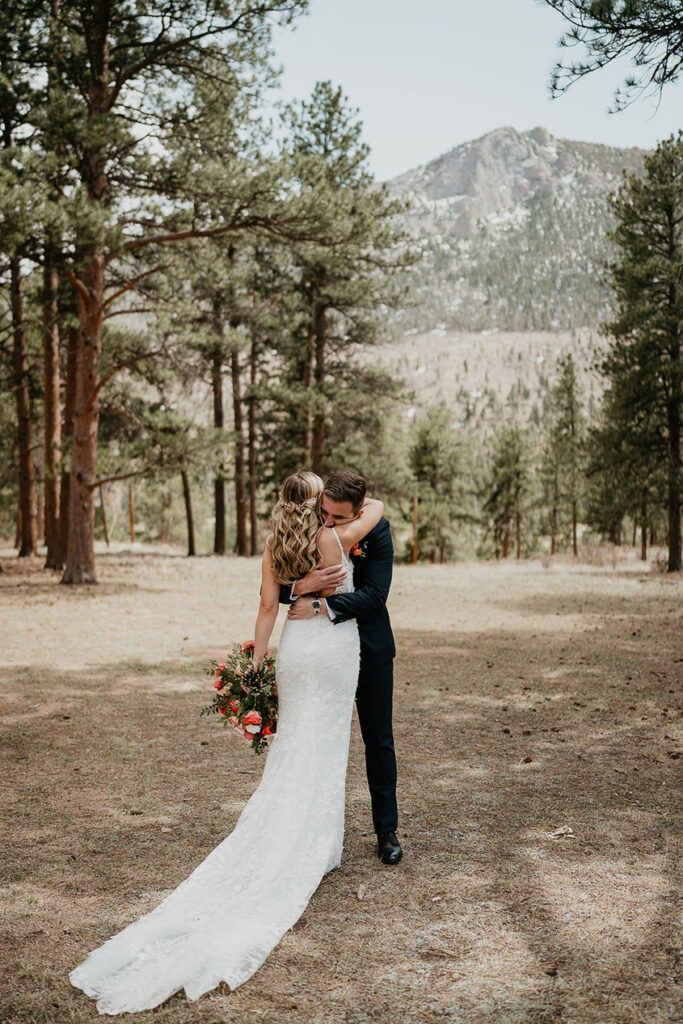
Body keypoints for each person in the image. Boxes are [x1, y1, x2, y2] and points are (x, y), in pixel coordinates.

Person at [69, 470, 385, 1014]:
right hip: (333, 652)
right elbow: (374, 510)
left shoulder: (274, 548)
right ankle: (319, 844)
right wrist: (347, 516)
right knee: (328, 742)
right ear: (317, 505)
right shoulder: (335, 537)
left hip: (295, 648)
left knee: (297, 745)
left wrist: (256, 669)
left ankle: (309, 835)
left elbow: (267, 609)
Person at [284, 471, 401, 866]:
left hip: (369, 648)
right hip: (323, 653)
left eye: (338, 519)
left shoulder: (377, 530)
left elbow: (374, 595)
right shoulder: (312, 519)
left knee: (378, 739)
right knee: (315, 739)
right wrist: (299, 588)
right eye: (325, 514)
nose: (328, 523)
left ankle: (387, 831)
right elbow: (279, 575)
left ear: (359, 512)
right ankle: (305, 831)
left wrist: (320, 606)